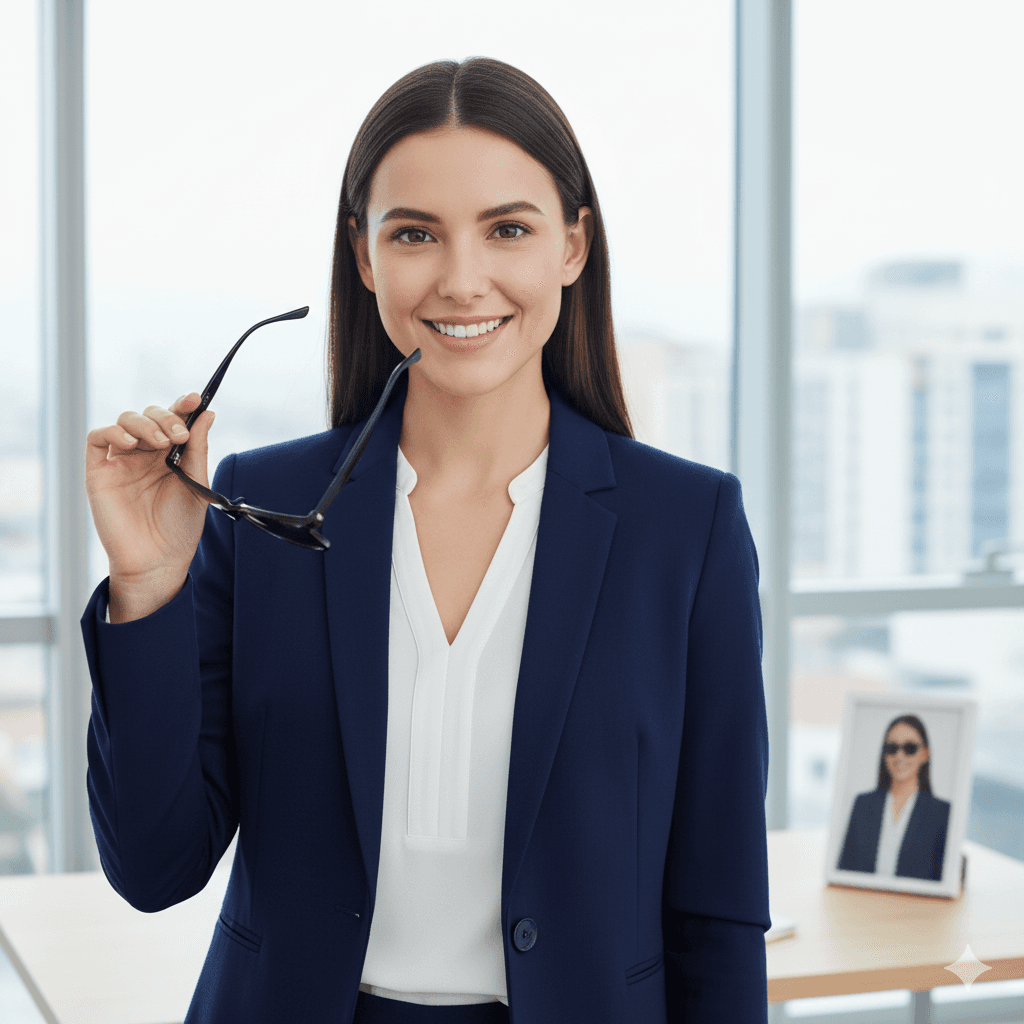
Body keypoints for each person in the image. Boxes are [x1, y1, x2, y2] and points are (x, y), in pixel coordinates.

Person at [82, 56, 770, 1024]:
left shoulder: (685, 529)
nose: (460, 278)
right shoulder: (260, 505)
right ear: (364, 256)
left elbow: (718, 908)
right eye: (414, 233)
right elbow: (154, 867)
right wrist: (147, 585)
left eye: (508, 229)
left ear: (572, 246)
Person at [836, 715, 950, 882]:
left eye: (910, 748)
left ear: (925, 754)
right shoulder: (863, 804)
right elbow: (844, 869)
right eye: (892, 748)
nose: (899, 756)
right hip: (862, 904)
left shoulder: (941, 813)